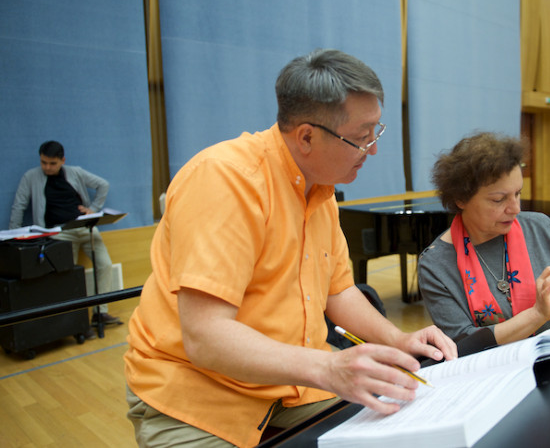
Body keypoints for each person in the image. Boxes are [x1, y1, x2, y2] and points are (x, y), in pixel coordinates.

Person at [123, 49, 457, 447]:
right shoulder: (226, 181)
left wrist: (397, 339)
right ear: (307, 136)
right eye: (361, 137)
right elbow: (206, 337)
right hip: (198, 392)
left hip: (291, 380)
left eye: (375, 132)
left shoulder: (321, 188)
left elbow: (339, 291)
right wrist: (328, 367)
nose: (373, 149)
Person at [418, 132, 550, 345]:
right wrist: (536, 315)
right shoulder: (436, 264)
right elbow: (464, 342)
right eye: (499, 199)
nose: (515, 209)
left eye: (517, 194)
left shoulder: (541, 227)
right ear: (461, 199)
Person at [9, 140, 121, 328]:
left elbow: (103, 185)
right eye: (43, 162)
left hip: (85, 226)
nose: (47, 167)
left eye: (52, 163)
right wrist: (14, 237)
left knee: (105, 264)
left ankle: (100, 313)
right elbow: (19, 206)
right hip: (59, 232)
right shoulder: (31, 177)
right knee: (68, 276)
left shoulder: (75, 172)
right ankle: (75, 322)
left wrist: (93, 209)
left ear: (63, 161)